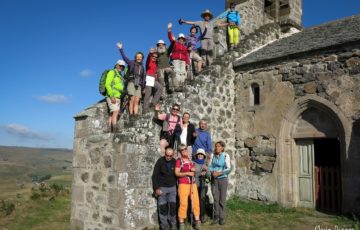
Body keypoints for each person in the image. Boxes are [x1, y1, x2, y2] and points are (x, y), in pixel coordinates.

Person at [175, 144, 201, 230]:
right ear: (180, 152)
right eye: (182, 150)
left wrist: (194, 170)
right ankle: (181, 223)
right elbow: (176, 173)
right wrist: (187, 173)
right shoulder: (179, 161)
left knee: (195, 201)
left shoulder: (190, 160)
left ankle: (197, 222)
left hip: (192, 183)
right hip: (183, 184)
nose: (184, 150)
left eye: (185, 149)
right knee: (183, 203)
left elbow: (194, 171)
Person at [151, 147, 177, 230]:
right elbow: (154, 176)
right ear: (164, 153)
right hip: (162, 188)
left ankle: (172, 224)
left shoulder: (175, 162)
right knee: (162, 208)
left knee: (172, 207)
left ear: (173, 155)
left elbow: (178, 174)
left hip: (172, 188)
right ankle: (164, 226)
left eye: (170, 155)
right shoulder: (160, 161)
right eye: (167, 155)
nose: (168, 157)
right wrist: (156, 188)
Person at [117, 42, 145, 116]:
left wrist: (143, 86)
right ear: (135, 57)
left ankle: (135, 114)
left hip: (138, 84)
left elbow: (143, 77)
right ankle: (131, 114)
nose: (139, 58)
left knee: (137, 100)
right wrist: (121, 49)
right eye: (138, 56)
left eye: (140, 57)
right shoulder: (131, 63)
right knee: (132, 99)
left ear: (142, 58)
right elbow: (124, 58)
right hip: (131, 82)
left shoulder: (142, 67)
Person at [208, 141, 231, 225]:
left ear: (222, 148)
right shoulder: (212, 155)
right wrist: (213, 172)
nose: (216, 148)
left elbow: (228, 169)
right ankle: (216, 216)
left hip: (223, 179)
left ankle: (222, 217)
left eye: (218, 146)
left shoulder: (225, 156)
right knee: (216, 198)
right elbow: (210, 166)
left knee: (222, 199)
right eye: (216, 146)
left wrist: (219, 173)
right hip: (214, 179)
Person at [167, 22, 190, 92]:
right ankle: (176, 87)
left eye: (183, 39)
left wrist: (187, 63)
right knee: (176, 72)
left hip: (183, 61)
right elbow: (171, 38)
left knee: (182, 73)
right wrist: (169, 30)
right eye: (180, 38)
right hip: (176, 60)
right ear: (178, 39)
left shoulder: (185, 47)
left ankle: (181, 86)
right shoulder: (175, 44)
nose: (181, 40)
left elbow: (186, 55)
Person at [105, 60, 125, 133]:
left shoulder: (120, 76)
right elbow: (107, 84)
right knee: (116, 111)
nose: (121, 68)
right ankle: (114, 130)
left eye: (123, 67)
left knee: (112, 113)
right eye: (120, 66)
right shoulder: (112, 72)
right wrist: (111, 96)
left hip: (118, 97)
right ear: (116, 65)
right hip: (112, 96)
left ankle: (110, 130)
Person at [143, 48, 163, 114]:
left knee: (160, 87)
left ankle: (153, 103)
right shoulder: (149, 62)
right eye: (153, 56)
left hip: (153, 78)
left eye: (155, 57)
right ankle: (145, 108)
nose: (154, 57)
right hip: (149, 76)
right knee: (148, 93)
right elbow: (148, 59)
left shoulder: (155, 64)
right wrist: (150, 53)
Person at [193, 148, 210, 224]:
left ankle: (202, 216)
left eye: (201, 154)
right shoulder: (193, 163)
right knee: (195, 201)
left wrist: (206, 171)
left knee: (202, 200)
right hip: (196, 184)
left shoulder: (206, 164)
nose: (200, 155)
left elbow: (209, 176)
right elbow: (193, 174)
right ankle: (195, 216)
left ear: (203, 156)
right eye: (199, 154)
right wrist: (200, 173)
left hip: (204, 185)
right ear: (197, 155)